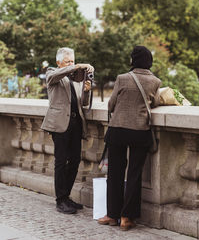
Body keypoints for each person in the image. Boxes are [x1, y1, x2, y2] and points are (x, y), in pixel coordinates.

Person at [98, 46, 161, 230]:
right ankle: (127, 217)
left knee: (115, 172)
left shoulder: (122, 78)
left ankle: (112, 214)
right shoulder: (155, 81)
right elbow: (155, 103)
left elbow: (111, 105)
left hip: (117, 129)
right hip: (139, 131)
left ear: (133, 60)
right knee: (134, 174)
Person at [41, 47, 94, 214]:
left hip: (76, 124)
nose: (71, 64)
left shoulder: (76, 80)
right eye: (68, 62)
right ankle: (60, 200)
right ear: (59, 63)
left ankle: (66, 196)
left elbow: (83, 104)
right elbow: (57, 75)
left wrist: (86, 91)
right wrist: (78, 65)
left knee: (76, 160)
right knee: (60, 162)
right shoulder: (52, 73)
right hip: (59, 124)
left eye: (72, 61)